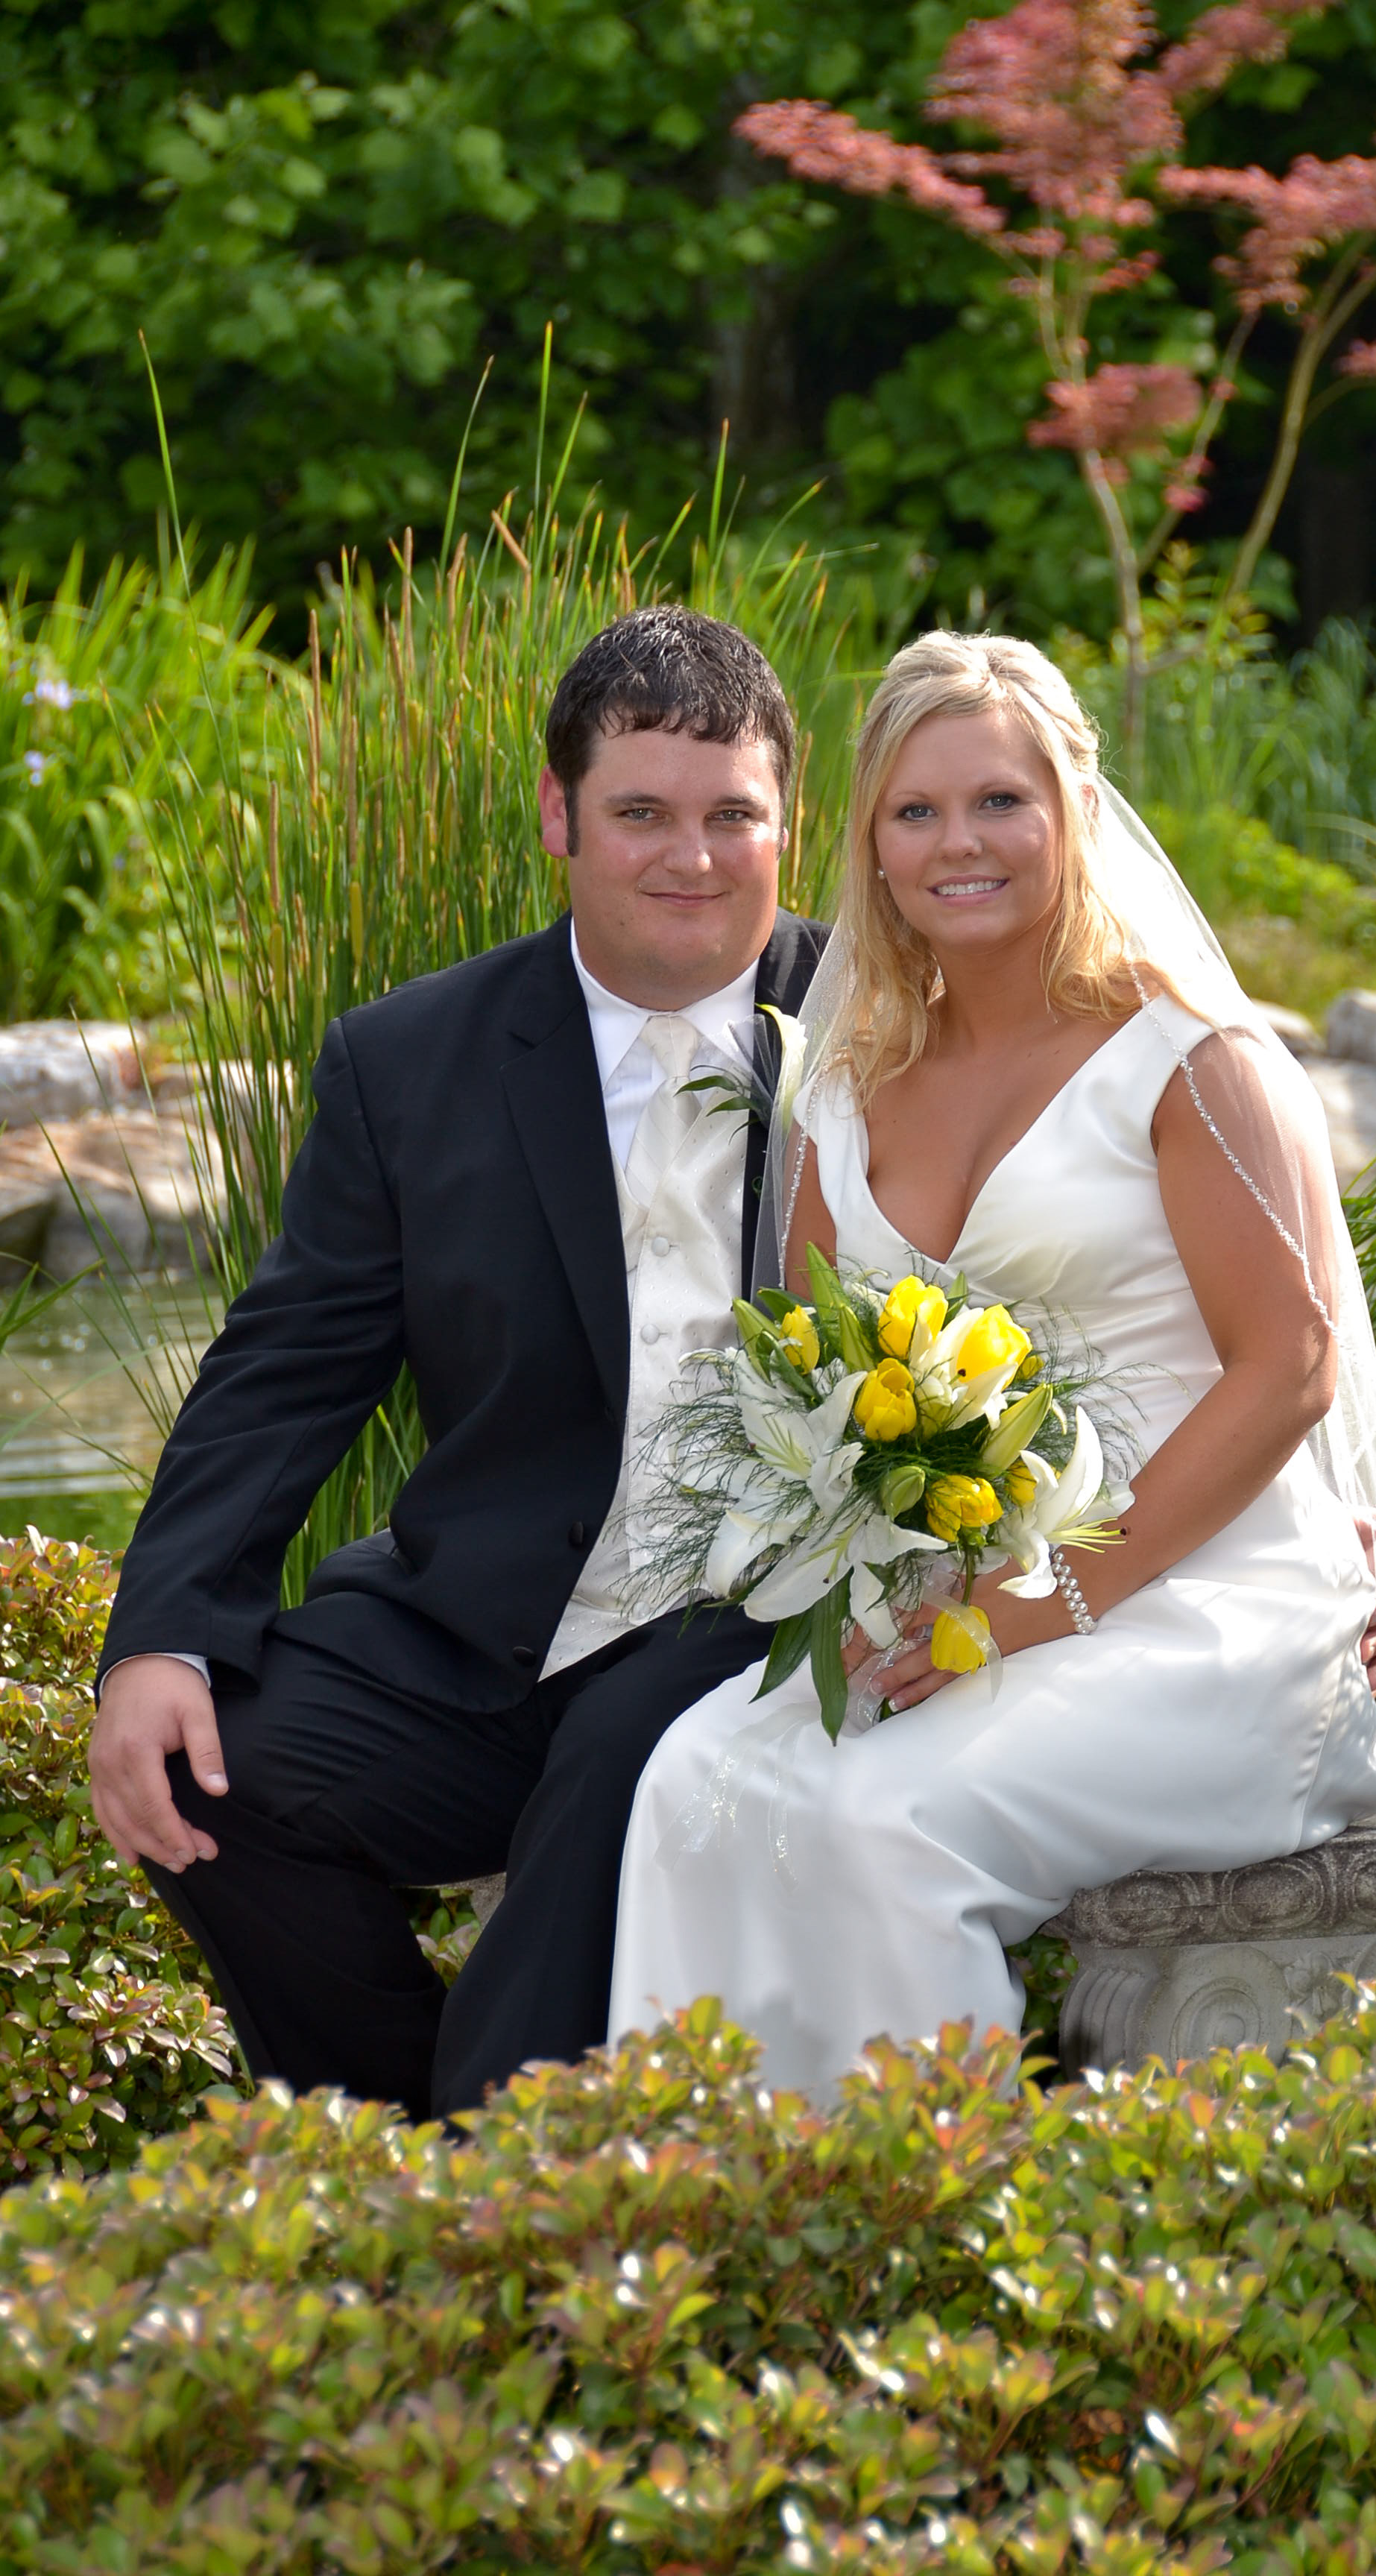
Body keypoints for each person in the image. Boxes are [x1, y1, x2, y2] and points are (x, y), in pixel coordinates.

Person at [608, 633, 1376, 2096]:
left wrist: (1055, 1597)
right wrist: (882, 1580)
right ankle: (721, 2224)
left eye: (1000, 802)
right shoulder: (843, 1095)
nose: (957, 843)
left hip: (1200, 1607)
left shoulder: (1189, 1059)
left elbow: (1289, 1367)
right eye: (915, 812)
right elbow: (810, 1379)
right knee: (692, 1783)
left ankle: (947, 2247)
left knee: (886, 1826)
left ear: (1074, 812)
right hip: (954, 1607)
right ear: (870, 846)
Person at [86, 605, 826, 2121]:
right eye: (641, 814)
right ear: (559, 814)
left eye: (730, 817)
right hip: (487, 1623)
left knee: (618, 1769)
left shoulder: (895, 1024)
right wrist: (159, 1638)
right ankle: (416, 2146)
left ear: (786, 825)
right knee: (218, 1785)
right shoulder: (408, 1059)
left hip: (771, 1626)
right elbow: (287, 1369)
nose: (691, 857)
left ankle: (462, 2201)